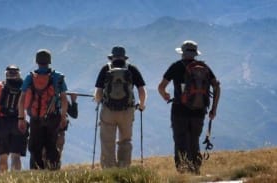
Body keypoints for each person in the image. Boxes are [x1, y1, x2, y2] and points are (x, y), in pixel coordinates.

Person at [157, 40, 220, 174]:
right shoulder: (204, 68)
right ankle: (195, 171)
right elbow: (216, 86)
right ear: (195, 54)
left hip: (179, 111)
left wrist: (165, 96)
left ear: (182, 53)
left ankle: (183, 173)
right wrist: (214, 108)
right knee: (194, 141)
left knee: (180, 141)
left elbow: (161, 87)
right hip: (199, 111)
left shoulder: (176, 66)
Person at [94, 46, 147, 168]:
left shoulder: (105, 69)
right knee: (125, 141)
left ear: (112, 57)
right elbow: (142, 90)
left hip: (108, 111)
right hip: (127, 110)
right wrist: (142, 105)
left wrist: (99, 101)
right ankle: (124, 167)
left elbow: (98, 94)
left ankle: (109, 169)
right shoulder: (131, 69)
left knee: (107, 142)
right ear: (124, 57)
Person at [18, 49, 68, 170]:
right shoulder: (58, 77)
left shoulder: (30, 78)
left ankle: (37, 171)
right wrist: (63, 117)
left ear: (36, 61)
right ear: (49, 61)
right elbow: (64, 100)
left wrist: (21, 118)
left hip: (35, 118)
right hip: (53, 117)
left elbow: (21, 100)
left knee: (35, 147)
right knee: (51, 145)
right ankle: (53, 170)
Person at [36, 93, 78, 170]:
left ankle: (44, 172)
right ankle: (54, 171)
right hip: (59, 132)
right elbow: (74, 114)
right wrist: (73, 101)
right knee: (57, 155)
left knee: (44, 154)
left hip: (45, 132)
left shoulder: (43, 96)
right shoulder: (62, 99)